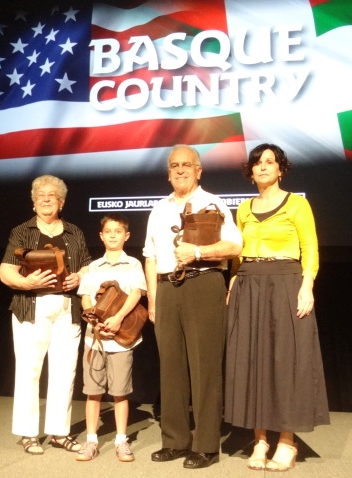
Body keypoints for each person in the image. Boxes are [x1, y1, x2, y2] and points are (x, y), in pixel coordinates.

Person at [224, 143, 329, 472]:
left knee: (286, 361)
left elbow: (309, 245)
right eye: (257, 163)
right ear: (250, 171)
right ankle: (260, 440)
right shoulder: (243, 208)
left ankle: (286, 441)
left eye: (270, 162)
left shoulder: (296, 204)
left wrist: (307, 285)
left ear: (281, 169)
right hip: (249, 282)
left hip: (285, 280)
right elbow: (238, 253)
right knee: (252, 360)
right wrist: (232, 283)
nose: (263, 167)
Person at [143, 144, 242, 469]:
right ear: (168, 172)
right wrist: (154, 301)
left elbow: (235, 245)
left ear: (199, 170)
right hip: (167, 289)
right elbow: (151, 255)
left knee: (205, 368)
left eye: (187, 164)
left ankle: (205, 445)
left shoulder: (213, 202)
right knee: (170, 367)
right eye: (174, 165)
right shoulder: (158, 208)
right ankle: (175, 440)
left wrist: (199, 254)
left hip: (204, 284)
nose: (180, 170)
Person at [0, 175, 92, 455]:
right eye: (40, 195)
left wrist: (79, 277)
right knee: (29, 371)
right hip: (31, 307)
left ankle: (59, 433)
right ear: (33, 201)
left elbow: (87, 266)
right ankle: (28, 434)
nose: (46, 198)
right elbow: (5, 270)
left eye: (52, 195)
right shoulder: (22, 231)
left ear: (61, 202)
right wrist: (26, 283)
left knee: (65, 371)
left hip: (67, 309)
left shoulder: (74, 232)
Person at [74, 213, 146, 463]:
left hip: (121, 338)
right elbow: (85, 297)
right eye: (108, 231)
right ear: (101, 236)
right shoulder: (93, 267)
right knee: (93, 391)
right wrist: (94, 323)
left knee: (119, 392)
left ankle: (121, 440)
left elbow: (137, 293)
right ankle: (91, 440)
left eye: (118, 231)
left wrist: (117, 320)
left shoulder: (133, 264)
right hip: (95, 339)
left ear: (126, 236)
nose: (113, 235)